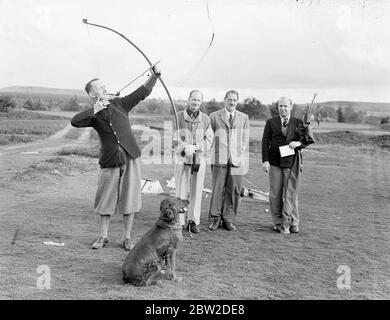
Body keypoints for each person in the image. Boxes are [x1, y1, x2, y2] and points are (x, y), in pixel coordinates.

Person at [71, 65, 161, 250]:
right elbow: (75, 121)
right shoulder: (93, 114)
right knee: (105, 199)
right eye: (100, 87)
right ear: (92, 94)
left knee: (130, 198)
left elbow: (142, 92)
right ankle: (102, 237)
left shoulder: (121, 103)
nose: (105, 89)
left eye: (105, 86)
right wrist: (94, 109)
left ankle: (127, 238)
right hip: (110, 160)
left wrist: (154, 75)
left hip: (130, 156)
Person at [261, 96, 312, 234]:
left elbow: (306, 139)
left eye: (285, 106)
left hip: (290, 162)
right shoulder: (271, 122)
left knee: (290, 194)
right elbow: (265, 142)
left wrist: (299, 144)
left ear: (291, 106)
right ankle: (278, 222)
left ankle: (293, 222)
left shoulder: (298, 122)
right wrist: (265, 160)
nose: (282, 108)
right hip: (274, 162)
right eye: (280, 106)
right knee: (275, 194)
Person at [208, 90, 250, 231]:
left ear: (237, 101)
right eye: (229, 99)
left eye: (234, 100)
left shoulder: (244, 117)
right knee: (217, 189)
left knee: (233, 190)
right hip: (219, 158)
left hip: (236, 160)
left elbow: (245, 137)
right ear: (225, 100)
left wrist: (239, 150)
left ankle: (228, 219)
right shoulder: (214, 116)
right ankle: (215, 218)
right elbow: (209, 137)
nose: (232, 102)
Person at [174, 90, 213, 234]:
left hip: (199, 158)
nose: (196, 102)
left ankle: (193, 221)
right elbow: (174, 138)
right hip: (182, 158)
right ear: (189, 99)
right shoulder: (178, 116)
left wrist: (196, 147)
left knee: (197, 189)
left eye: (198, 100)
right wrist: (185, 147)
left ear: (201, 102)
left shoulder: (206, 119)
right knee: (181, 189)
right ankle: (180, 220)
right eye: (193, 99)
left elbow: (209, 139)